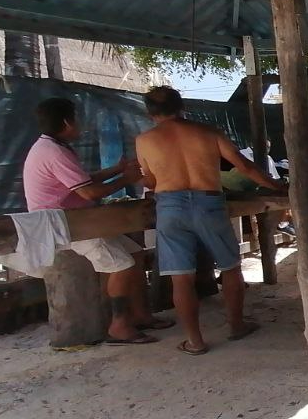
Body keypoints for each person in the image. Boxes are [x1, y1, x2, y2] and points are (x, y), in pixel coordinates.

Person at [135, 86, 282, 355]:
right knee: (230, 266)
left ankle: (195, 341)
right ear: (181, 107)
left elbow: (151, 180)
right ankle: (236, 326)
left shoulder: (144, 141)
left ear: (150, 112)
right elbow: (245, 167)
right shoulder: (208, 133)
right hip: (209, 202)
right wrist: (275, 186)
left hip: (169, 206)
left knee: (181, 278)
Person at [23, 97, 171, 344]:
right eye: (76, 119)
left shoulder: (51, 146)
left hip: (78, 219)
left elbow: (82, 180)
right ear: (67, 122)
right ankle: (118, 325)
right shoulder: (53, 151)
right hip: (66, 224)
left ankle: (140, 315)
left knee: (134, 254)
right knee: (121, 264)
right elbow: (89, 192)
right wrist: (127, 179)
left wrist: (117, 170)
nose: (79, 124)